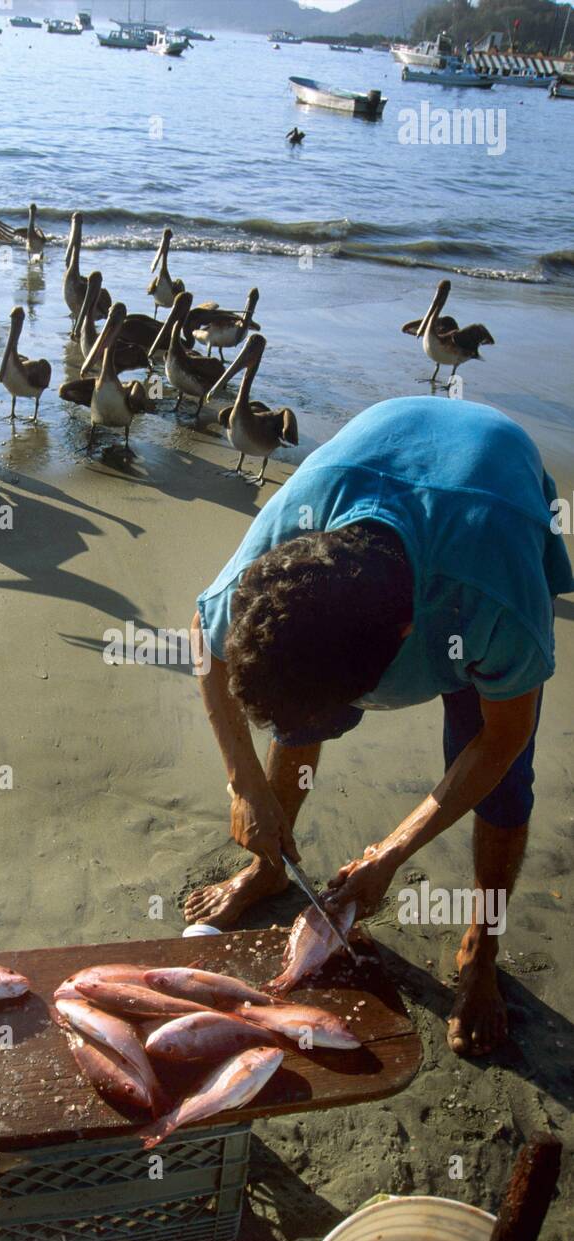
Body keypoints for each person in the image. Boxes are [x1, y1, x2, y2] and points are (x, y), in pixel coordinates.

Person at [185, 396, 573, 1057]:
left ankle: (482, 944)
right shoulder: (282, 549)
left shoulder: (493, 604)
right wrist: (243, 784)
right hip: (379, 445)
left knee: (504, 788)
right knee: (300, 687)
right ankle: (268, 870)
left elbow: (500, 740)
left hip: (492, 487)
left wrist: (389, 855)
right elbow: (203, 639)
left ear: (405, 642)